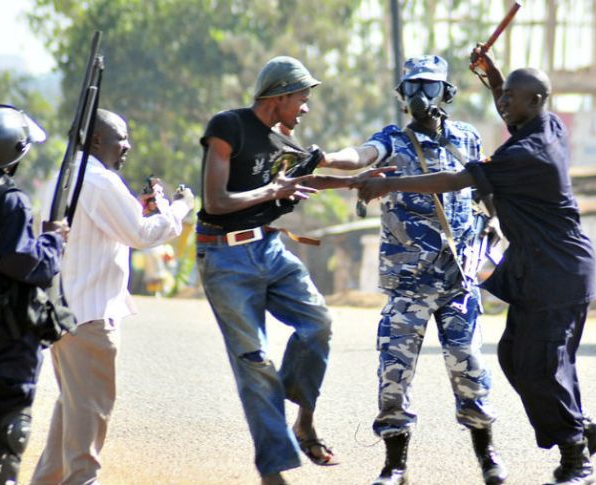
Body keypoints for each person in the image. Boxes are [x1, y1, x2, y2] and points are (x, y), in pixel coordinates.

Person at [355, 47, 596, 485]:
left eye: (510, 97)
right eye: (503, 94)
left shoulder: (524, 154)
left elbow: (454, 181)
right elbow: (512, 106)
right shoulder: (545, 123)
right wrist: (494, 76)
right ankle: (584, 428)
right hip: (531, 271)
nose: (502, 103)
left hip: (557, 272)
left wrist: (388, 184)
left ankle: (577, 459)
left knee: (537, 366)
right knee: (515, 358)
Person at [196, 55, 391, 485]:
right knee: (256, 362)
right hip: (224, 257)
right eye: (302, 98)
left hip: (269, 250)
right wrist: (272, 189)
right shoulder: (227, 126)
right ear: (280, 95)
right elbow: (214, 202)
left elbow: (308, 181)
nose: (305, 107)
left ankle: (303, 419)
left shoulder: (283, 144)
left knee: (317, 323)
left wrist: (360, 179)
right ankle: (274, 471)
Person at [322, 55, 507, 485]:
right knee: (394, 373)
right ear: (401, 96)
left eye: (427, 86)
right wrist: (327, 157)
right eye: (410, 88)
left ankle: (488, 457)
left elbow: (485, 188)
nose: (418, 95)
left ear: (446, 92)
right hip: (408, 284)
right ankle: (394, 466)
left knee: (469, 368)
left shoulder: (467, 138)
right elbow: (360, 156)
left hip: (457, 280)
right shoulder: (393, 140)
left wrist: (495, 222)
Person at [31, 109, 195, 485]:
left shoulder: (64, 177)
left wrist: (145, 209)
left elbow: (114, 226)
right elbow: (141, 234)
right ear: (97, 141)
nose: (128, 146)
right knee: (85, 449)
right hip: (90, 321)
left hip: (64, 317)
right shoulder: (102, 182)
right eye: (122, 138)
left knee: (70, 422)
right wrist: (179, 206)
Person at [0, 105, 70, 485]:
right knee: (6, 436)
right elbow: (21, 261)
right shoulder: (10, 199)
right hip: (5, 342)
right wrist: (53, 242)